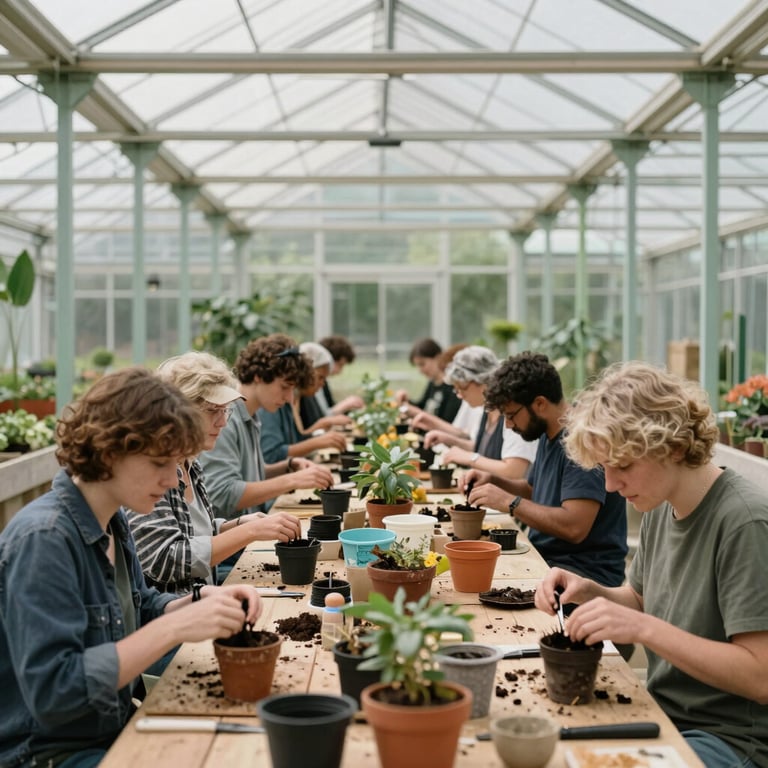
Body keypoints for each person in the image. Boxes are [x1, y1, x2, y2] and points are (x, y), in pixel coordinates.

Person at [0, 368, 262, 768]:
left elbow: (139, 606)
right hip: (48, 754)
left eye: (176, 463)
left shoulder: (111, 520)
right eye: (160, 462)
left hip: (108, 729)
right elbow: (55, 693)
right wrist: (173, 628)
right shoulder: (45, 539)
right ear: (109, 451)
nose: (173, 479)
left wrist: (200, 600)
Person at [535, 361, 768, 768]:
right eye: (604, 468)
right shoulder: (661, 503)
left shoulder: (745, 521)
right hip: (664, 715)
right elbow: (642, 599)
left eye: (622, 466)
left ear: (674, 447)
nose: (609, 485)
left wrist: (645, 629)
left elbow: (759, 676)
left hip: (730, 740)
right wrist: (592, 590)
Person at [127, 351, 301, 594]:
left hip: (204, 602)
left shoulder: (190, 462)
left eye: (225, 410)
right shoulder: (150, 472)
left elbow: (195, 530)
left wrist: (237, 524)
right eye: (212, 411)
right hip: (177, 617)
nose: (222, 422)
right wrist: (248, 532)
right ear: (177, 412)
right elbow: (164, 559)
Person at [465, 351, 627, 588]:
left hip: (582, 577)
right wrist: (494, 481)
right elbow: (535, 491)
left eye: (511, 416)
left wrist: (510, 502)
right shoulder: (547, 433)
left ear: (539, 404)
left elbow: (574, 527)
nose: (508, 425)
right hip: (548, 562)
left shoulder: (581, 443)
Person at [200, 333, 335, 518]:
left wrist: (288, 466)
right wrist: (292, 480)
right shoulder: (226, 418)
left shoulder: (250, 414)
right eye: (285, 387)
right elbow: (224, 493)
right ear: (258, 376)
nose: (289, 398)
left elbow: (248, 474)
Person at [421, 345, 537, 480]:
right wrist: (449, 440)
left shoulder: (513, 415)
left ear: (483, 381)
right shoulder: (486, 409)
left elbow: (514, 471)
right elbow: (482, 448)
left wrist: (470, 458)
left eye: (462, 388)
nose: (459, 395)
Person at [260, 342, 348, 464]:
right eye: (320, 377)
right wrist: (317, 440)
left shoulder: (295, 398)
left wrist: (320, 429)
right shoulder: (274, 402)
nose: (322, 384)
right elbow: (271, 455)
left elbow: (296, 440)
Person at [395, 337, 461, 424]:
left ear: (438, 358)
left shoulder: (453, 386)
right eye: (417, 366)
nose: (420, 370)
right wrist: (406, 401)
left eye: (422, 364)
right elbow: (423, 407)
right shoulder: (433, 383)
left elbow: (448, 421)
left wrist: (414, 411)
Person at [295, 341, 353, 435]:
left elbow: (300, 436)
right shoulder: (290, 399)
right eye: (320, 378)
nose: (322, 384)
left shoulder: (299, 396)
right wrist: (325, 422)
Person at [316, 334, 364, 415]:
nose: (340, 371)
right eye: (340, 365)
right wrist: (344, 405)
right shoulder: (312, 387)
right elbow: (319, 417)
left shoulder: (324, 384)